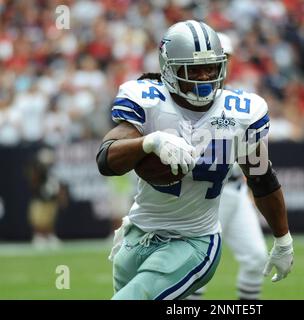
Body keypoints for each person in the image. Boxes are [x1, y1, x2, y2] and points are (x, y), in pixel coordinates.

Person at [96, 20, 294, 300]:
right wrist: (148, 142)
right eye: (193, 69)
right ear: (170, 68)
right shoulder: (148, 100)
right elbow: (106, 159)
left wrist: (283, 239)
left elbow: (262, 178)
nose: (204, 77)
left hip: (195, 240)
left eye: (210, 68)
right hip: (138, 235)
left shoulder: (240, 113)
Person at [187, 32, 268, 300]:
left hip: (234, 189)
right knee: (196, 266)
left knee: (257, 257)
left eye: (227, 58)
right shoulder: (188, 99)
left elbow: (254, 154)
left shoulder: (240, 99)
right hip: (206, 195)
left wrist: (255, 187)